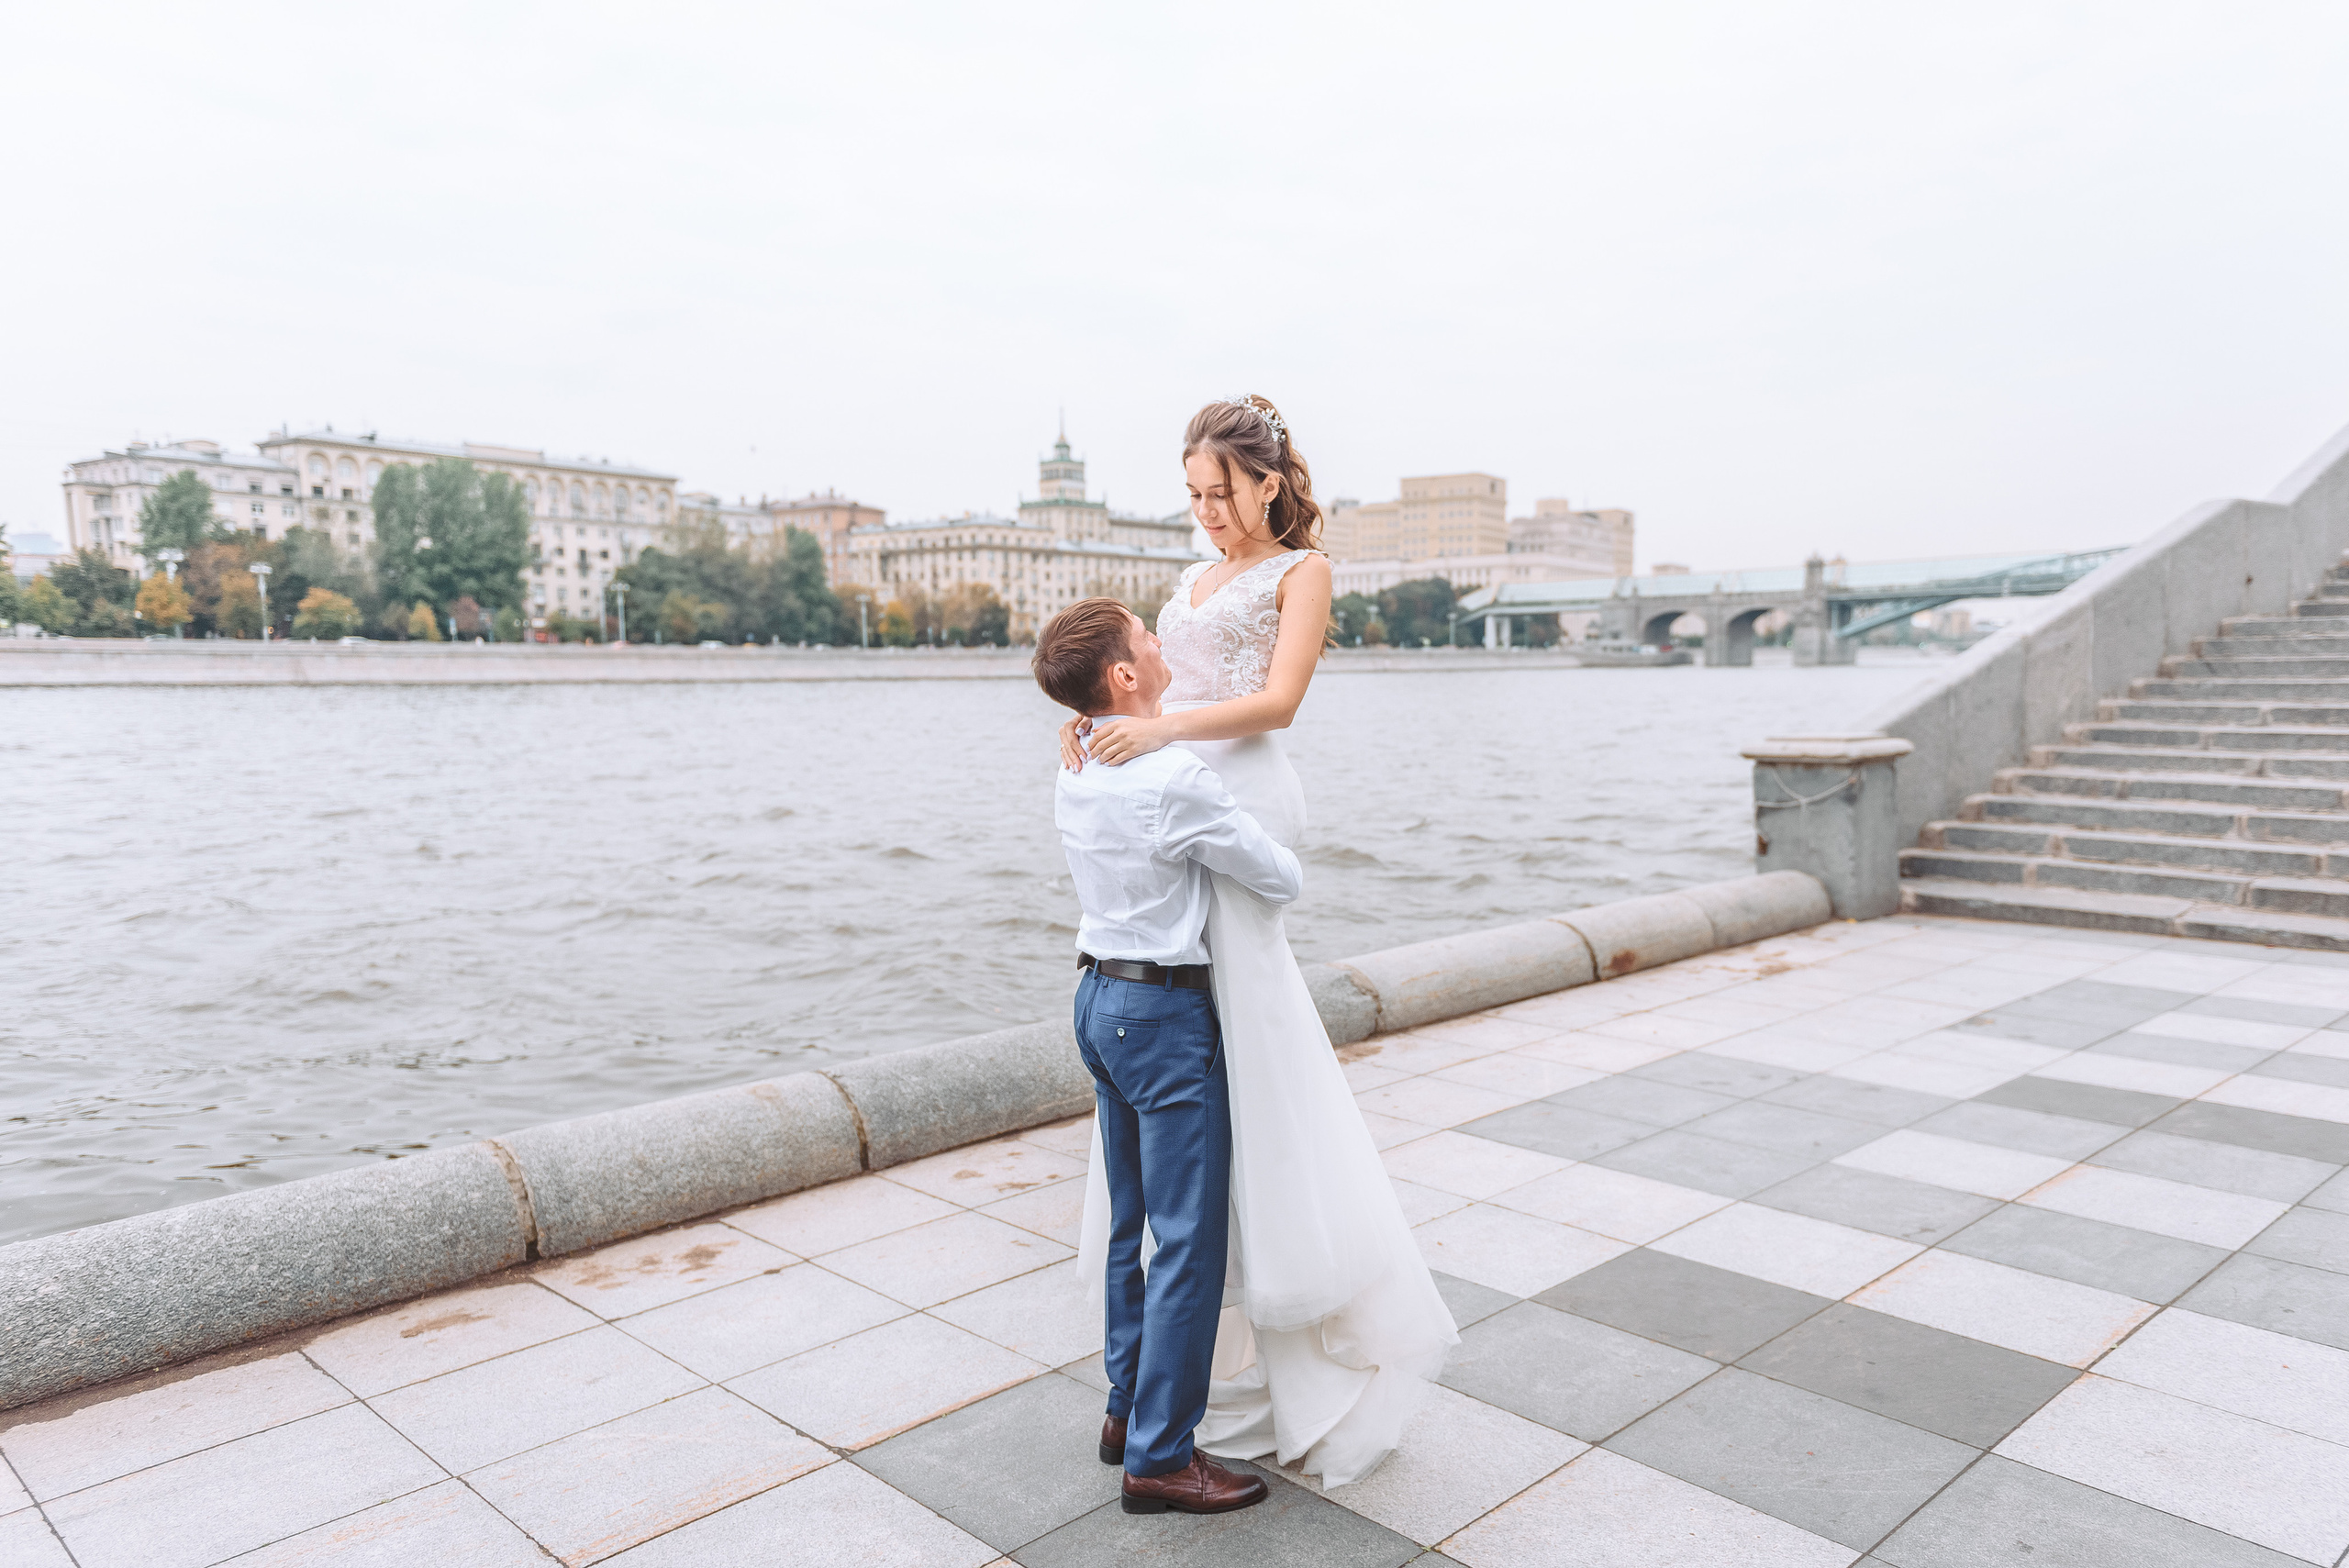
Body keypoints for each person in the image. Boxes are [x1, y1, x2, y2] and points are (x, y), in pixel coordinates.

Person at [1056, 395, 1457, 1490]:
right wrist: (1100, 725)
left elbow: (1276, 701)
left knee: (1248, 1043)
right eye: (1189, 496)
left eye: (1218, 493)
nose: (1204, 515)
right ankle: (1162, 1385)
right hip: (1168, 788)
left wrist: (1156, 729)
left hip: (1232, 796)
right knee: (1187, 1055)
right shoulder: (1185, 581)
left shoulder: (1303, 572)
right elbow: (1135, 678)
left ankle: (1221, 1350)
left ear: (1268, 483)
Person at [1034, 595, 1300, 1516]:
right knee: (1186, 1240)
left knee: (1124, 1220)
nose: (1160, 640)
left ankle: (1123, 1408)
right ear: (1123, 675)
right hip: (1160, 1015)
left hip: (1095, 999)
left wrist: (1103, 729)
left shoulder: (1074, 762)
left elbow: (1101, 739)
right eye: (1147, 638)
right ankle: (1160, 1454)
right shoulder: (1171, 778)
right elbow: (1279, 874)